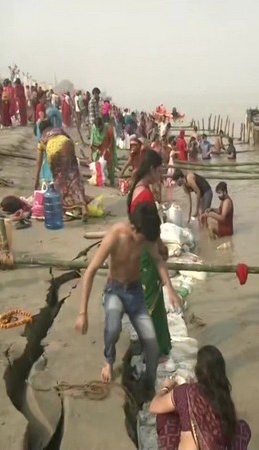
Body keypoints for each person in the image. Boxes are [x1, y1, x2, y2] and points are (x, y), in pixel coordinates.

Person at [75, 202, 176, 398]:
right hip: (115, 290)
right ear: (134, 229)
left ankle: (147, 387)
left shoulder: (146, 238)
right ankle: (109, 360)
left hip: (136, 293)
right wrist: (82, 313)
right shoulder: (116, 236)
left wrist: (170, 289)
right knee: (113, 327)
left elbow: (158, 259)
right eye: (142, 239)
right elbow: (90, 271)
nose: (143, 244)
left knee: (153, 345)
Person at [127, 150, 182, 359]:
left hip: (144, 248)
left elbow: (146, 225)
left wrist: (159, 243)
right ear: (151, 169)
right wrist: (158, 245)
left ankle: (155, 348)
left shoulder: (138, 188)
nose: (162, 174)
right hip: (146, 253)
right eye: (159, 170)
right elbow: (149, 227)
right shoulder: (145, 195)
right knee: (152, 302)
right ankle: (156, 350)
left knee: (152, 301)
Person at [151, 345, 252, 450]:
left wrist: (166, 387)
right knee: (241, 427)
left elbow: (154, 406)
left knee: (165, 415)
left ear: (198, 370)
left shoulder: (185, 391)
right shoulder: (223, 394)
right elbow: (231, 421)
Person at [33, 119, 88, 220]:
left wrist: (36, 182)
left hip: (55, 153)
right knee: (75, 178)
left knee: (60, 182)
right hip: (68, 145)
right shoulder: (58, 130)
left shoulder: (42, 138)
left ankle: (66, 210)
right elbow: (69, 139)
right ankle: (83, 207)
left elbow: (38, 163)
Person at [90, 117, 117, 186]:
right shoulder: (94, 128)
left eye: (100, 128)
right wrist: (96, 150)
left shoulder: (108, 128)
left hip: (107, 147)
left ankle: (112, 182)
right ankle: (98, 180)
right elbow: (92, 142)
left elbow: (112, 140)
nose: (98, 130)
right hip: (97, 148)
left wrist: (108, 149)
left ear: (102, 124)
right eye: (97, 128)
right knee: (96, 164)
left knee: (109, 165)